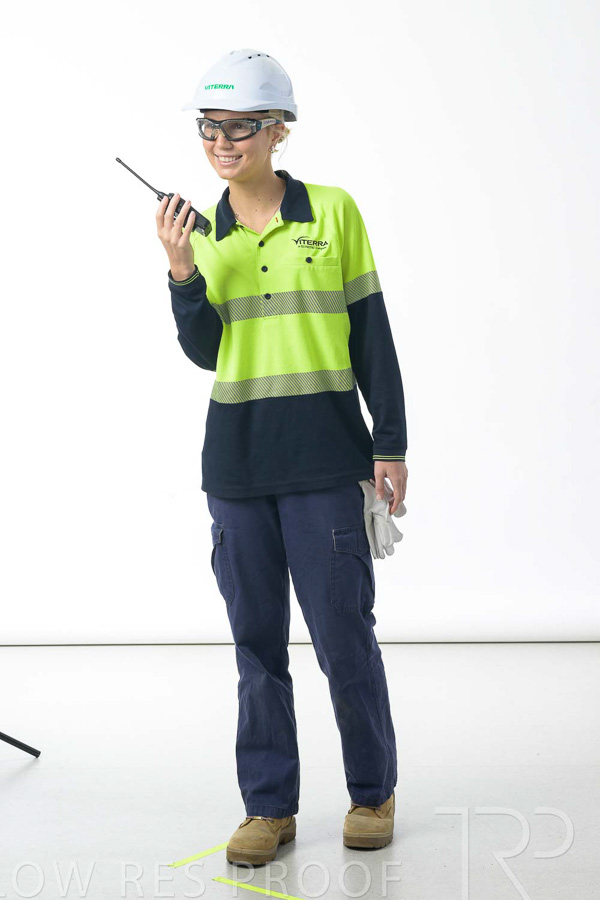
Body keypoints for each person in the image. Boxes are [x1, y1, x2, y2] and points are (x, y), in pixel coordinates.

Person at [157, 49, 408, 866]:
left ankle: (372, 791)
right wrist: (182, 270)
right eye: (209, 128)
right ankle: (268, 807)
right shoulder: (202, 234)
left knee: (344, 637)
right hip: (237, 470)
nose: (221, 143)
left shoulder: (334, 211)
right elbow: (206, 352)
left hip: (327, 461)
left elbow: (372, 333)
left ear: (279, 130)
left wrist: (391, 443)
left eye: (239, 128)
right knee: (256, 648)